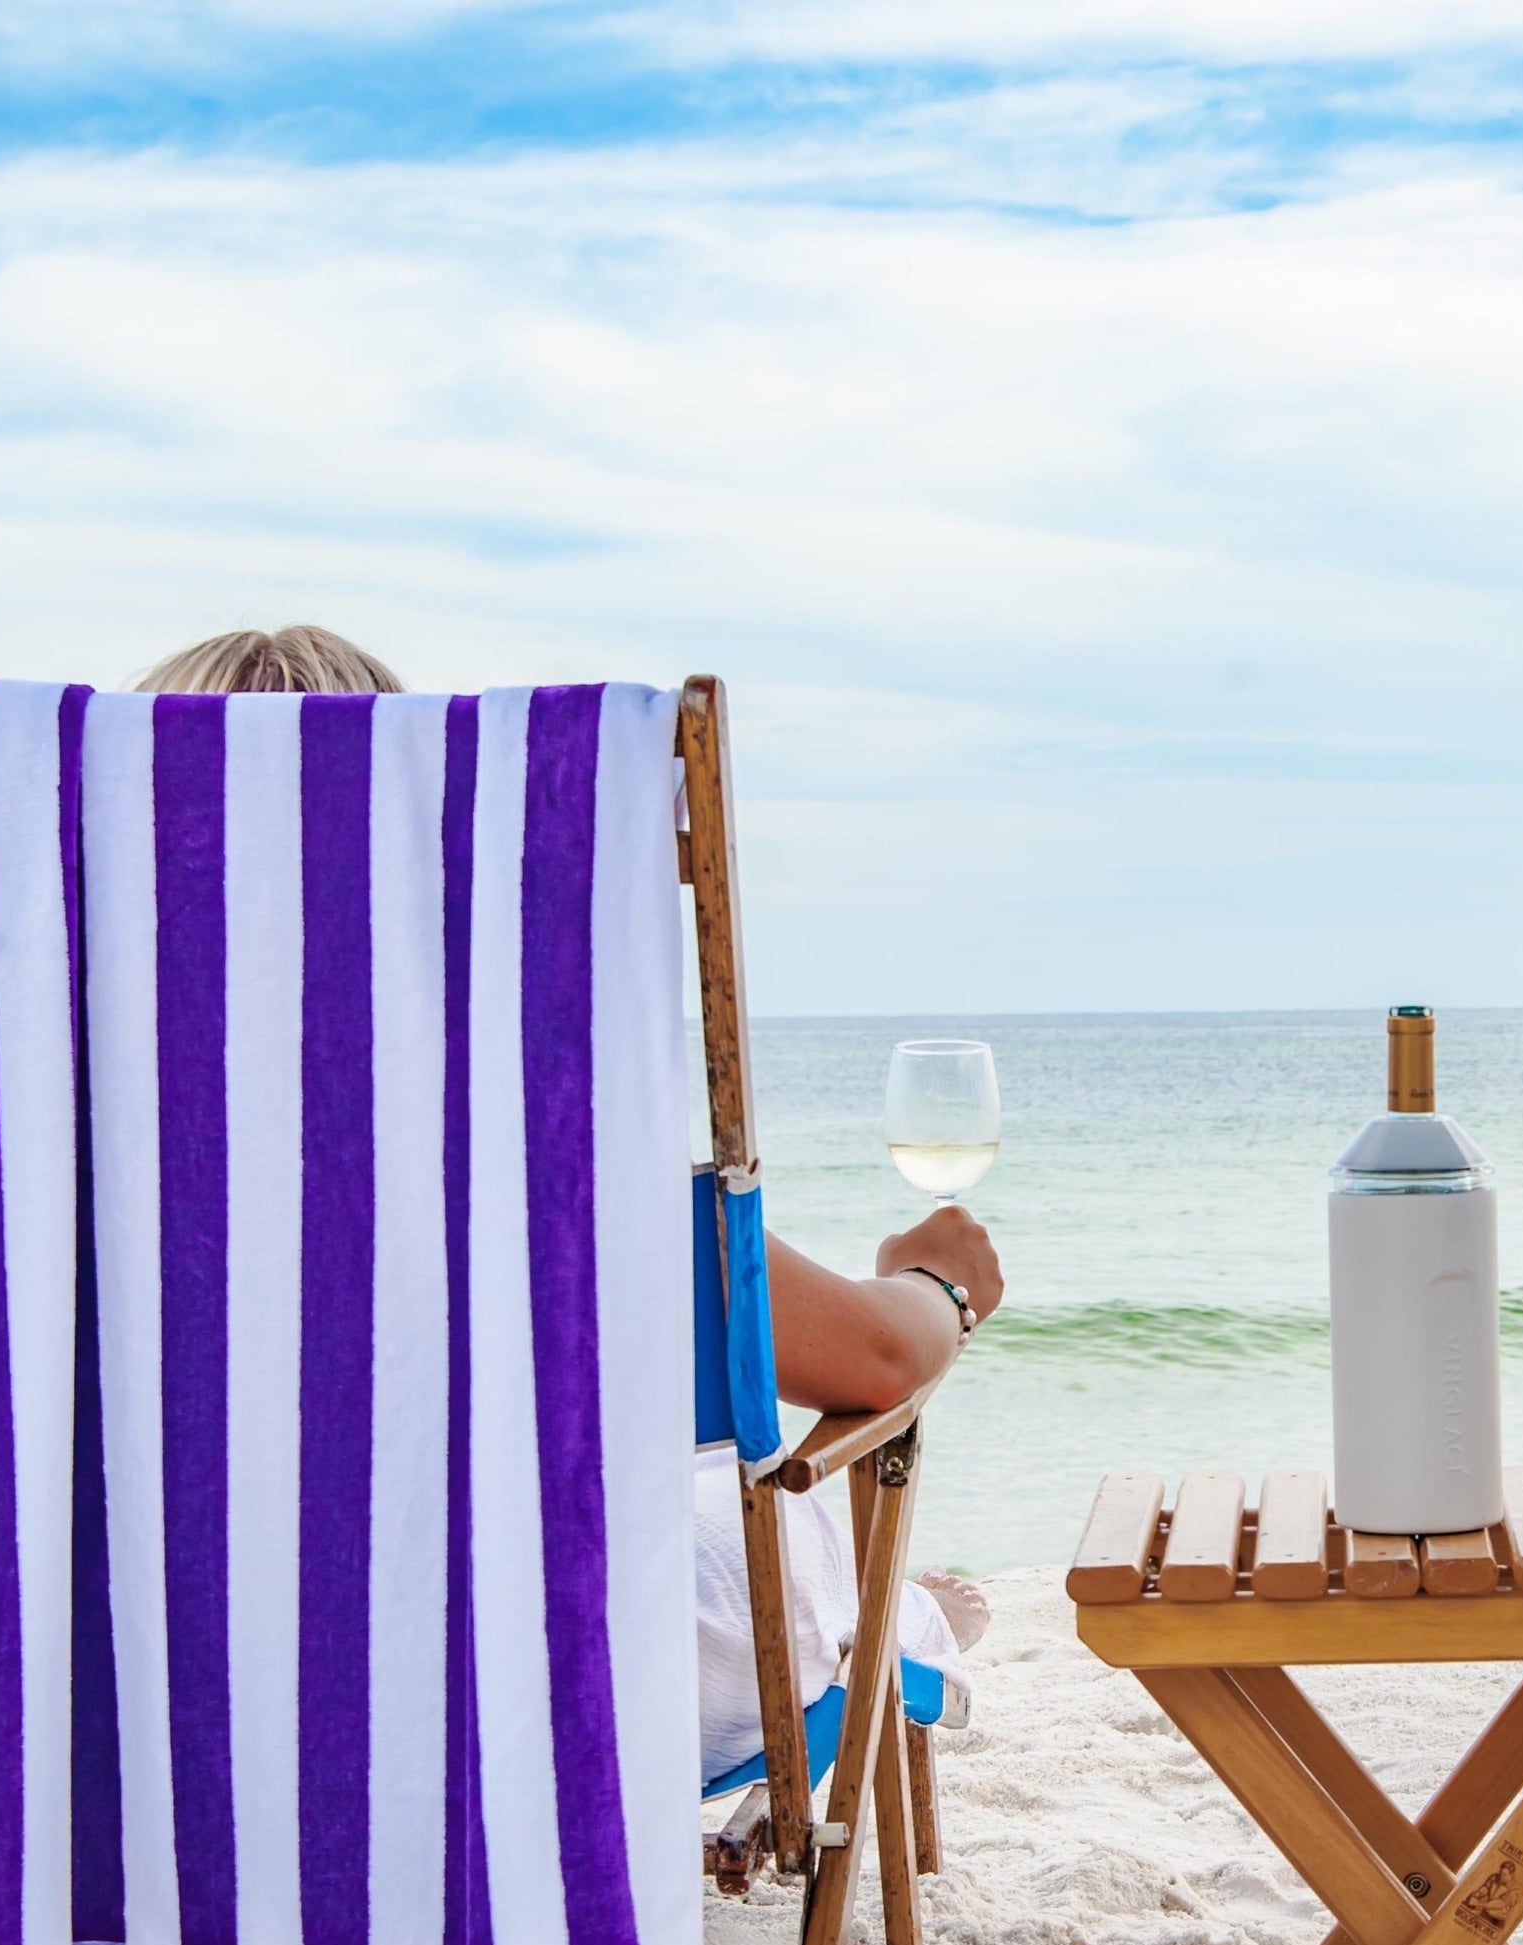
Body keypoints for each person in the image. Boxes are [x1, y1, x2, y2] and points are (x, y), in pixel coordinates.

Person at [137, 628, 1002, 1798]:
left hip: (210, 1722)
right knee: (758, 1513)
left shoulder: (73, 1190)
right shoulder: (516, 1146)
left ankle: (902, 1605)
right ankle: (913, 1618)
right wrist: (935, 1280)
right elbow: (882, 1363)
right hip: (550, 1715)